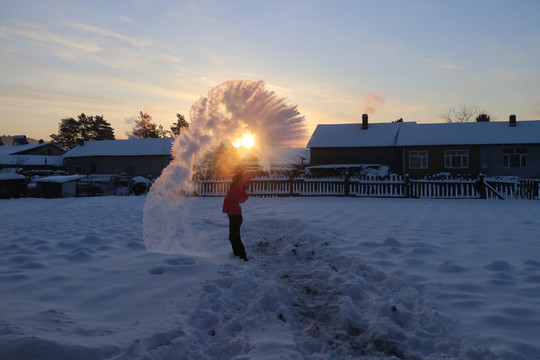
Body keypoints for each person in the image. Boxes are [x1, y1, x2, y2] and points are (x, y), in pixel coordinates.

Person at [222, 170, 256, 261]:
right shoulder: (233, 188)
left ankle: (242, 256)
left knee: (235, 237)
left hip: (236, 216)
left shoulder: (237, 187)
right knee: (232, 237)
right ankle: (236, 254)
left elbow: (243, 178)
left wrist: (254, 173)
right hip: (232, 215)